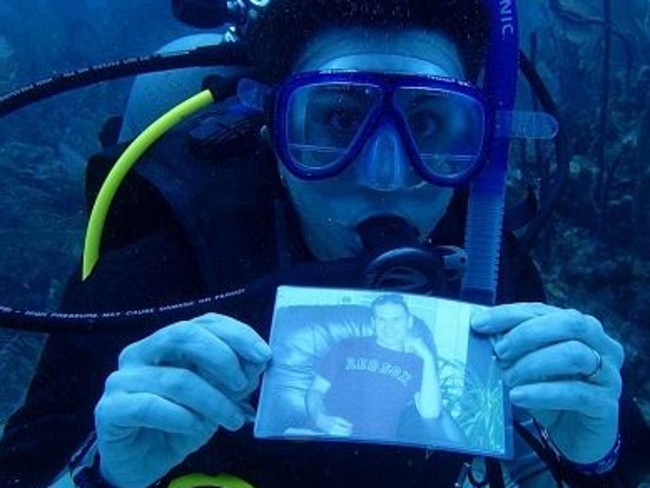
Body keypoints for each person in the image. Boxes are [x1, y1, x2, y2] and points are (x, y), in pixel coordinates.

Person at [0, 0, 646, 487]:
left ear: (476, 142)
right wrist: (106, 474)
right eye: (338, 118)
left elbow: (601, 463)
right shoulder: (169, 264)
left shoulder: (477, 260)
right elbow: (30, 464)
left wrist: (597, 445)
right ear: (273, 132)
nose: (387, 174)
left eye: (429, 122)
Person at [306, 293, 442, 440]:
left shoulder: (416, 364)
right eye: (381, 319)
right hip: (320, 435)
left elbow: (431, 413)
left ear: (409, 322)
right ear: (373, 322)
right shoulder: (348, 346)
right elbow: (316, 390)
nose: (388, 327)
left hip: (371, 447)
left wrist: (427, 357)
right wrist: (320, 419)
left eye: (396, 319)